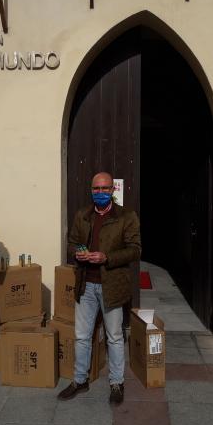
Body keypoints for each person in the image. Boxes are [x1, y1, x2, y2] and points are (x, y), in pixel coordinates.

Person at [58, 172, 141, 405]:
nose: (101, 193)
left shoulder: (126, 216)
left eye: (105, 189)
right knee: (82, 336)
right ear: (91, 190)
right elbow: (72, 243)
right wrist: (78, 252)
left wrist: (107, 257)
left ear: (112, 190)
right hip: (86, 284)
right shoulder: (83, 215)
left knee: (114, 336)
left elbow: (135, 250)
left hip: (111, 286)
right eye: (97, 189)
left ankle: (116, 382)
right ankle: (80, 380)